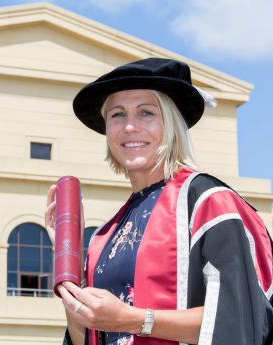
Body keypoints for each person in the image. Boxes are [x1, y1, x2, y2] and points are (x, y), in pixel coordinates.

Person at [44, 58, 273, 345]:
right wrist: (71, 269)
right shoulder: (105, 234)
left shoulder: (209, 203)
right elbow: (87, 338)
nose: (129, 127)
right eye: (117, 115)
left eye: (145, 113)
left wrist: (133, 319)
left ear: (171, 123)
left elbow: (242, 317)